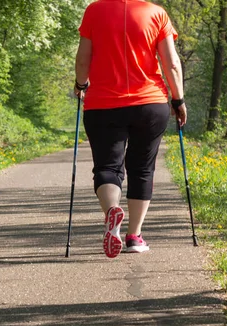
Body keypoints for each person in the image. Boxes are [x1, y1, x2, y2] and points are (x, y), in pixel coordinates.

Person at [74, 0, 187, 259]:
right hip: (149, 103)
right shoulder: (156, 13)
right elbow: (171, 63)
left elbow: (83, 60)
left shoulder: (94, 10)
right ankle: (134, 236)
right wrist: (178, 100)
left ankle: (112, 210)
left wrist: (80, 86)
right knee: (142, 168)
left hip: (102, 103)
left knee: (107, 166)